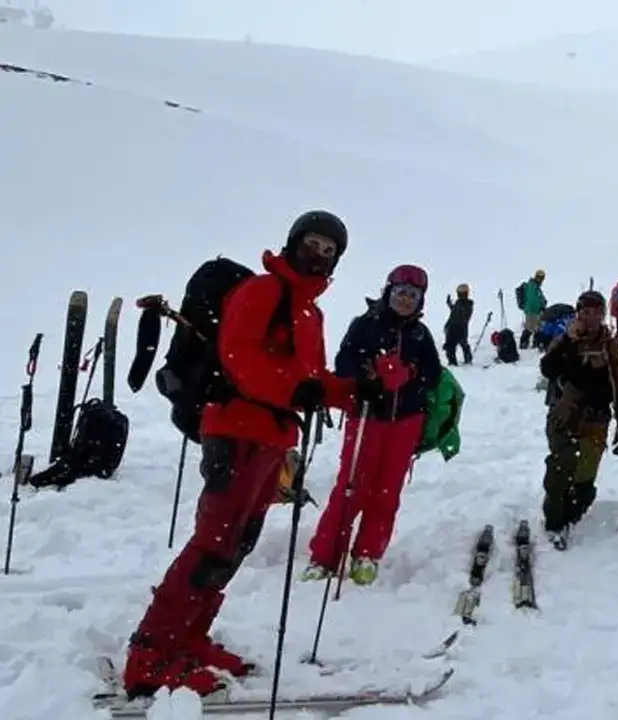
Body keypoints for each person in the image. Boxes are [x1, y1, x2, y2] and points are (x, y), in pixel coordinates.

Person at [123, 210, 370, 698]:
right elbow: (239, 357)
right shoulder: (263, 291)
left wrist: (354, 392)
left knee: (237, 543)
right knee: (213, 543)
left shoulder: (309, 313)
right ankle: (150, 655)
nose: (319, 255)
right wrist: (296, 390)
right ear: (293, 242)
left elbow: (308, 380)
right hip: (236, 428)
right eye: (313, 243)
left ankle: (188, 638)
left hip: (273, 439)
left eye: (329, 251)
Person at [304, 264, 443, 586]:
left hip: (406, 420)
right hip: (367, 416)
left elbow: (433, 373)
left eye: (413, 295)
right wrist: (366, 377)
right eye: (401, 293)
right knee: (351, 486)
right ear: (388, 292)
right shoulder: (365, 325)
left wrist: (408, 373)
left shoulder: (420, 334)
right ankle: (324, 556)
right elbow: (344, 362)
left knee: (387, 490)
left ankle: (368, 553)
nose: (406, 300)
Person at [538, 290, 618, 549]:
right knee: (561, 468)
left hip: (596, 419)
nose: (591, 318)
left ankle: (573, 512)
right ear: (578, 314)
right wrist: (569, 341)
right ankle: (554, 520)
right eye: (586, 313)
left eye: (597, 313)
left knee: (585, 478)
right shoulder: (565, 340)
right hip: (564, 415)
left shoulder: (610, 347)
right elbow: (547, 368)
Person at [515, 270, 547, 349]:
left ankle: (536, 343)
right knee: (530, 328)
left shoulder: (536, 286)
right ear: (536, 276)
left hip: (535, 311)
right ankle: (524, 343)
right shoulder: (532, 285)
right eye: (539, 277)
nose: (541, 279)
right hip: (532, 311)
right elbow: (532, 300)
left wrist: (543, 303)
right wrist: (541, 305)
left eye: (542, 278)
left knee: (537, 328)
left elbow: (538, 298)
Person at [443, 283, 474, 366]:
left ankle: (467, 361)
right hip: (453, 328)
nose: (459, 295)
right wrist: (449, 304)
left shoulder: (467, 304)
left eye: (460, 293)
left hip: (460, 329)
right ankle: (453, 363)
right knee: (450, 348)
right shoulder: (459, 303)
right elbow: (454, 311)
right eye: (459, 293)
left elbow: (461, 315)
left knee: (463, 345)